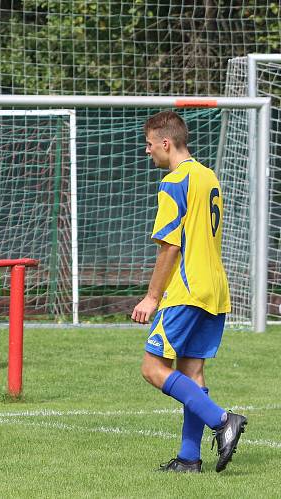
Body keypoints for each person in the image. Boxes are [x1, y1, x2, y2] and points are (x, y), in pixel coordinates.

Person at [131, 110, 246, 473]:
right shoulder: (207, 175)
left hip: (186, 288)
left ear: (166, 143)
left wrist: (152, 297)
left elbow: (170, 246)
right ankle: (188, 458)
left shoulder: (175, 181)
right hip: (215, 288)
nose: (147, 151)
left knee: (152, 368)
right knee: (192, 373)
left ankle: (222, 420)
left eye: (149, 145)